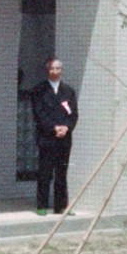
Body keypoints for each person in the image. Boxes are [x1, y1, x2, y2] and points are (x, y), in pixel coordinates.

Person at [31, 57, 77, 215]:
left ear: (61, 71)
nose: (55, 71)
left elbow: (74, 114)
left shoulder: (68, 91)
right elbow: (39, 113)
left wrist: (66, 127)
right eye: (52, 69)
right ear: (47, 71)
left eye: (58, 68)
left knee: (61, 173)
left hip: (64, 138)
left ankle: (61, 206)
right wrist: (53, 127)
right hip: (47, 138)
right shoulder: (39, 90)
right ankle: (42, 205)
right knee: (45, 171)